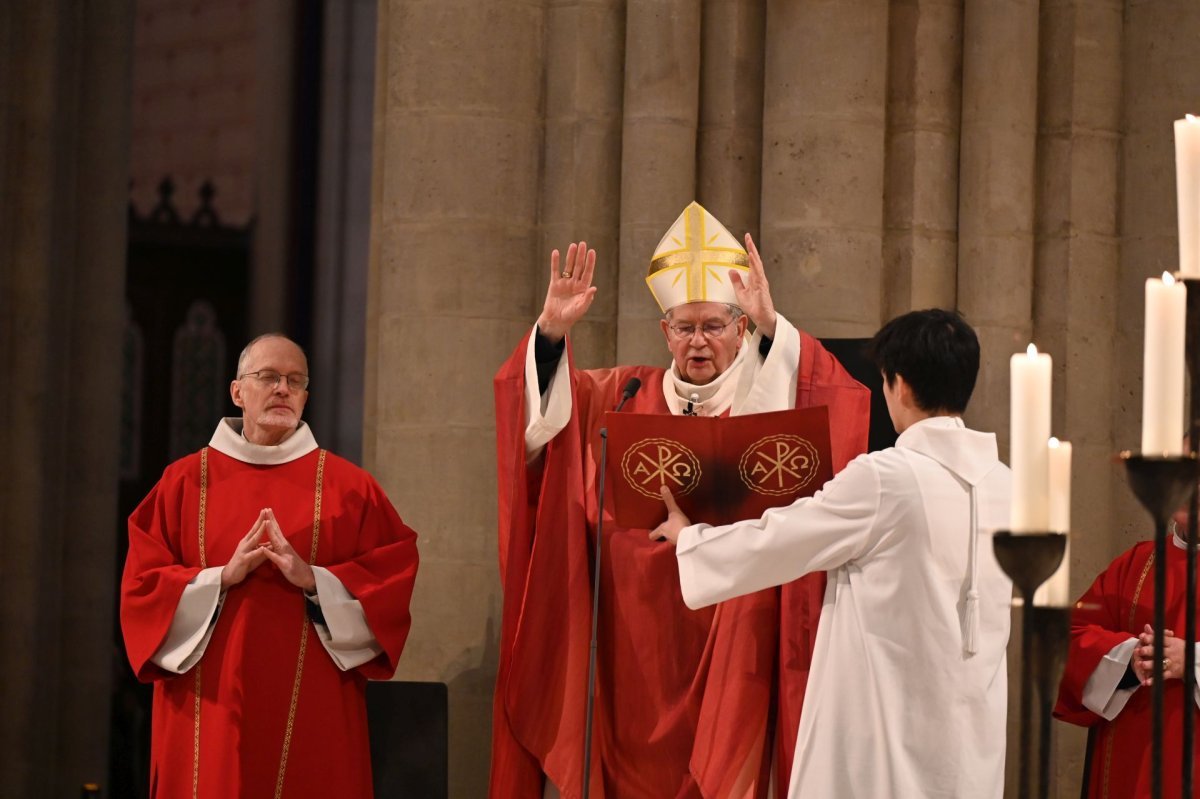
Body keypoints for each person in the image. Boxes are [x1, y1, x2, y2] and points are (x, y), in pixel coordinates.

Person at [490, 202, 871, 797]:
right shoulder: (621, 394)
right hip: (632, 650)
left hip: (733, 635)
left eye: (713, 326)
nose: (697, 342)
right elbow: (538, 430)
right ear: (665, 331)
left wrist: (776, 327)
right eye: (684, 327)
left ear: (740, 329)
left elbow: (835, 405)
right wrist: (551, 337)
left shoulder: (763, 394)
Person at [653, 308, 1013, 798]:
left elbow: (780, 539)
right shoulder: (1007, 486)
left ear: (898, 385)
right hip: (967, 736)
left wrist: (691, 539)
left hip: (882, 737)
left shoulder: (888, 478)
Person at [120, 334, 419, 798]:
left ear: (305, 397)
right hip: (208, 711)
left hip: (315, 710)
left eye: (295, 381)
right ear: (238, 392)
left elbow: (392, 579)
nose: (283, 389)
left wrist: (314, 580)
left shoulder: (349, 488)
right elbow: (141, 591)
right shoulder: (182, 482)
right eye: (269, 377)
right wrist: (221, 578)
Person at [1053, 507, 1200, 797]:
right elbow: (1069, 637)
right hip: (1127, 768)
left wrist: (1191, 661)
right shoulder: (1136, 563)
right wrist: (1129, 659)